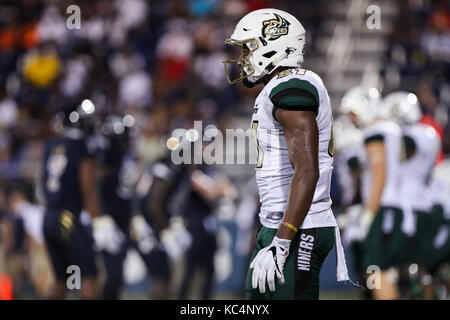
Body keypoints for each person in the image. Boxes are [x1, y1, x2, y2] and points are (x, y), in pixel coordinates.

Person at [223, 8, 349, 300]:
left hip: (297, 227)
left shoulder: (292, 86)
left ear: (274, 44)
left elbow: (307, 169)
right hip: (282, 224)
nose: (243, 58)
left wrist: (283, 239)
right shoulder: (279, 87)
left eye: (248, 48)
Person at [41, 99, 101, 299]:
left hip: (49, 216)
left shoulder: (51, 145)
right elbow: (86, 186)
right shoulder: (80, 145)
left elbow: (43, 183)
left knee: (62, 281)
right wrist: (98, 221)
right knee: (89, 277)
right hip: (69, 218)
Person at [95, 114, 139, 300]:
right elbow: (94, 187)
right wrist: (101, 217)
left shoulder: (125, 156)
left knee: (119, 274)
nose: (129, 139)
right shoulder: (105, 157)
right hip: (108, 221)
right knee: (111, 274)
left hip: (122, 220)